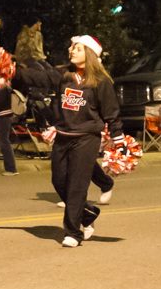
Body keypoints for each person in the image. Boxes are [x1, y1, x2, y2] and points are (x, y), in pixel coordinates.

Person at [29, 35, 126, 247]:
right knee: (58, 180)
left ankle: (73, 232)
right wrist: (7, 71)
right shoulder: (64, 76)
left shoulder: (101, 81)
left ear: (89, 54)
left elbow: (111, 112)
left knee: (76, 186)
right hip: (64, 135)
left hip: (87, 138)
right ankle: (88, 213)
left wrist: (119, 139)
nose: (71, 50)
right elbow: (38, 79)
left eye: (78, 48)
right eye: (72, 47)